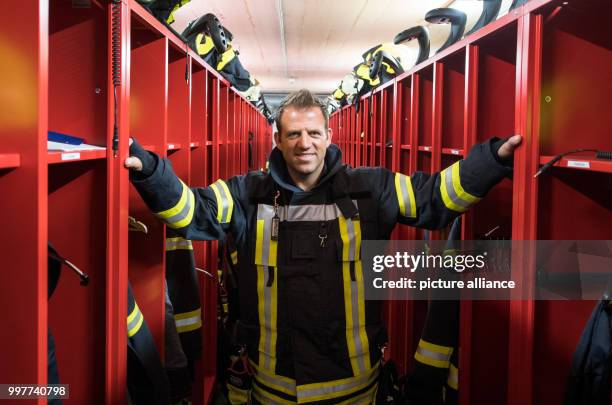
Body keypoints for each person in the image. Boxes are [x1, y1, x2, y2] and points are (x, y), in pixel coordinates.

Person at [125, 89, 521, 404]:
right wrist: (152, 173)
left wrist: (491, 161)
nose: (304, 143)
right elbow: (194, 211)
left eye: (314, 133)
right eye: (294, 134)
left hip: (354, 387)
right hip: (273, 386)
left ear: (329, 137)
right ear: (277, 139)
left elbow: (436, 197)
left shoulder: (372, 187)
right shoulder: (247, 194)